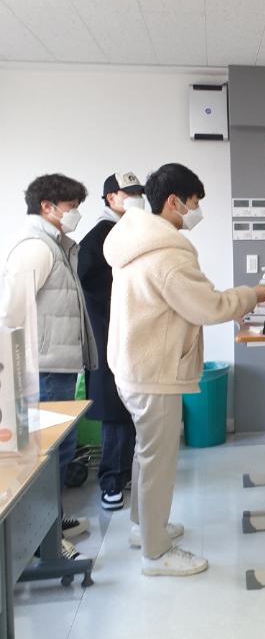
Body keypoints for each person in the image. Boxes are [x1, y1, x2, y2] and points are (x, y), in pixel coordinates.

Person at [103, 163, 265, 577]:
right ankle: (155, 553)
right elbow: (208, 307)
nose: (196, 211)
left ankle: (144, 528)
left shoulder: (133, 239)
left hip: (131, 365)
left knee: (146, 455)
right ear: (174, 201)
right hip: (154, 370)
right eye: (194, 202)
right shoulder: (167, 253)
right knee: (158, 462)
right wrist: (253, 294)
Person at [1, 173, 98, 560]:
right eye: (72, 206)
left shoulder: (56, 245)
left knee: (59, 447)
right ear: (47, 206)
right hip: (40, 369)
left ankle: (52, 521)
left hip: (56, 364)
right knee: (45, 454)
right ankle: (42, 539)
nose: (75, 213)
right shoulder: (35, 248)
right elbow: (11, 314)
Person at [77, 172, 146, 511]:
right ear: (110, 198)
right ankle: (111, 482)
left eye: (138, 192)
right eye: (128, 193)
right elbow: (97, 289)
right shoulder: (99, 237)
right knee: (116, 413)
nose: (136, 198)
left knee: (130, 409)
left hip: (131, 337)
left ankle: (125, 474)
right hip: (109, 338)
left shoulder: (128, 230)